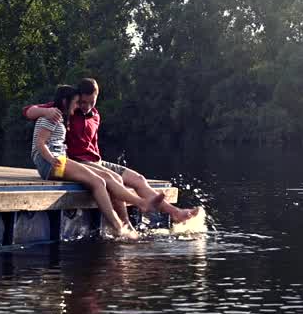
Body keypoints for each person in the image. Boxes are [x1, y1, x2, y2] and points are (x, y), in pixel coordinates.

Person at [24, 77, 199, 225]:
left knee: (138, 179)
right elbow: (28, 111)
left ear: (97, 96)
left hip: (96, 160)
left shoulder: (95, 115)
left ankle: (175, 212)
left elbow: (92, 143)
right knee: (112, 180)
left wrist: (99, 162)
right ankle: (125, 224)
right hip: (79, 161)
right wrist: (44, 111)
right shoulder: (68, 108)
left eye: (90, 102)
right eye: (82, 102)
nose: (85, 106)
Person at [30, 84, 165, 239]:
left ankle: (125, 221)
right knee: (98, 182)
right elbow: (39, 144)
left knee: (104, 179)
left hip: (57, 160)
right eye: (75, 103)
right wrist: (52, 159)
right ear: (66, 101)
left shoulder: (60, 117)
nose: (77, 107)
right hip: (51, 164)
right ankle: (124, 219)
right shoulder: (51, 116)